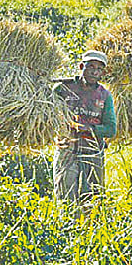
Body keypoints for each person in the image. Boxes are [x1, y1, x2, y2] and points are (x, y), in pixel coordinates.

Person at [54, 50, 117, 212]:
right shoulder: (63, 88)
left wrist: (88, 128)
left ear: (103, 73)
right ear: (82, 67)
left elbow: (111, 129)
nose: (95, 72)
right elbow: (47, 112)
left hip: (92, 154)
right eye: (91, 67)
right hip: (67, 151)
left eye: (99, 69)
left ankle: (90, 227)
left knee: (92, 201)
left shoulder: (104, 96)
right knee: (65, 199)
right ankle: (66, 226)